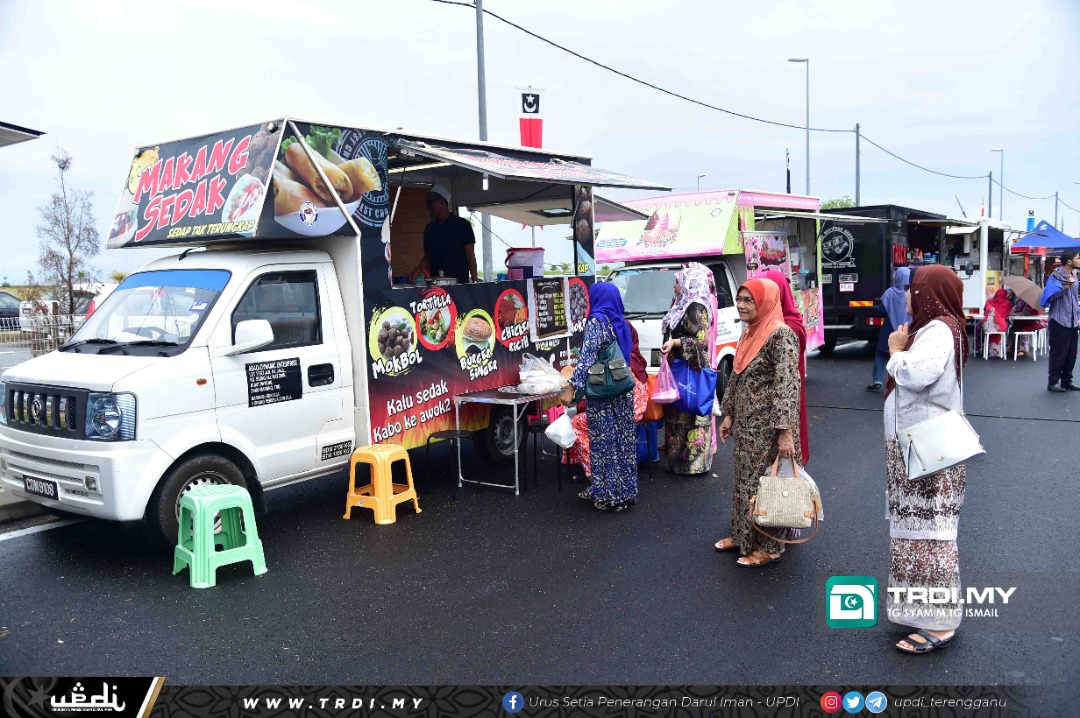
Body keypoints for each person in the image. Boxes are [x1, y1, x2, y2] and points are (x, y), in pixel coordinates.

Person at [882, 264, 968, 654]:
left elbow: (916, 374)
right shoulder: (941, 327)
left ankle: (940, 622)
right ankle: (920, 610)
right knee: (915, 531)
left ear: (929, 294)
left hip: (927, 447)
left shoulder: (937, 331)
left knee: (931, 534)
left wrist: (896, 353)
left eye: (915, 290)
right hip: (920, 444)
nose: (909, 296)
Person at [714, 279, 802, 567]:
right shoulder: (750, 333)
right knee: (745, 483)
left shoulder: (781, 335)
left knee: (769, 486)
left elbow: (787, 386)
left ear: (764, 302)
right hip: (748, 429)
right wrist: (729, 415)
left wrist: (785, 432)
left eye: (749, 300)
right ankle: (743, 538)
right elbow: (738, 376)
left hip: (770, 430)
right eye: (740, 299)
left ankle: (769, 547)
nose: (741, 305)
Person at [565, 282, 638, 512]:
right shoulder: (620, 321)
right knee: (623, 442)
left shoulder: (596, 321)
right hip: (622, 390)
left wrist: (572, 387)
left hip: (603, 392)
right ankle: (625, 492)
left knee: (604, 443)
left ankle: (609, 495)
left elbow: (587, 358)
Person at [564, 323, 651, 478]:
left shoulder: (615, 365)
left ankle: (596, 474)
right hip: (632, 410)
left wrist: (576, 391)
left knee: (578, 423)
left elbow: (603, 393)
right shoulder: (631, 359)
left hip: (622, 413)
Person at [659, 263, 718, 475]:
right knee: (679, 414)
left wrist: (675, 344)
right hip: (679, 369)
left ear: (689, 283)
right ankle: (676, 463)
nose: (675, 286)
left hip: (691, 370)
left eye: (677, 281)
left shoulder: (695, 306)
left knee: (691, 412)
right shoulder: (681, 304)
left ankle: (692, 466)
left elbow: (701, 341)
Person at [761, 268, 810, 464]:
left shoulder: (788, 327)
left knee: (785, 446)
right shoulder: (779, 321)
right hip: (775, 395)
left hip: (784, 392)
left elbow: (784, 377)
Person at [409, 183, 478, 284]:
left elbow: (470, 255)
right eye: (428, 203)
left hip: (460, 284)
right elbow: (428, 257)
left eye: (431, 202)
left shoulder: (462, 225)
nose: (429, 206)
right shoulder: (430, 229)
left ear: (442, 202)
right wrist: (417, 270)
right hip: (436, 285)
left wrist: (475, 281)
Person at [1040, 250, 1080, 392]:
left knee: (1071, 353)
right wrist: (1065, 287)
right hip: (1059, 321)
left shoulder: (1074, 275)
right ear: (1069, 262)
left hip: (1073, 322)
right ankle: (1053, 382)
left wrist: (1078, 317)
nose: (1079, 260)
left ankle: (1066, 381)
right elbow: (1049, 298)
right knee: (1058, 353)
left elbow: (1075, 299)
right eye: (1078, 258)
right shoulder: (1055, 276)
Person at [868, 267, 911, 391]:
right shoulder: (910, 292)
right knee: (904, 355)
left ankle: (877, 380)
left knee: (881, 353)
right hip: (907, 329)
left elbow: (881, 310)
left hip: (889, 328)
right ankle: (901, 381)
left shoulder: (890, 292)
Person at [982, 288, 1012, 359]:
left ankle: (984, 349)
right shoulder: (1007, 303)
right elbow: (1007, 314)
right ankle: (998, 349)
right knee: (1004, 326)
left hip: (988, 326)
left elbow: (985, 311)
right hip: (1000, 326)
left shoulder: (989, 301)